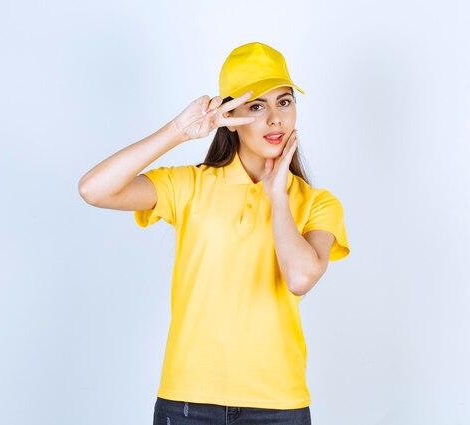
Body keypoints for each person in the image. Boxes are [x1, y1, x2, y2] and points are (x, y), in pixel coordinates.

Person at [78, 41, 350, 425]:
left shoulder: (317, 203)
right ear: (230, 114)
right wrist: (178, 131)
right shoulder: (191, 186)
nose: (275, 119)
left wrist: (277, 197)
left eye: (284, 101)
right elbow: (94, 189)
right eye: (257, 106)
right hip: (188, 399)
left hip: (278, 404)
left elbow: (300, 277)